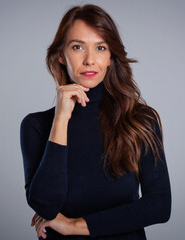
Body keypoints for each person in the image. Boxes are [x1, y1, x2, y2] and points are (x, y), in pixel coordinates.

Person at [20, 4, 171, 240]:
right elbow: (46, 206)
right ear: (61, 55)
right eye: (77, 47)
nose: (90, 60)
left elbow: (159, 205)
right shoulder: (36, 126)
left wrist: (74, 225)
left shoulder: (139, 121)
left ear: (111, 57)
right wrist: (61, 118)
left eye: (100, 47)